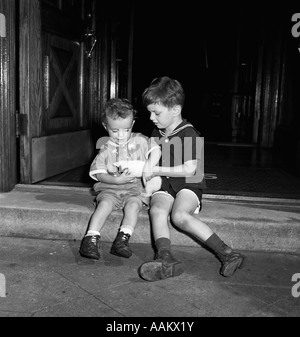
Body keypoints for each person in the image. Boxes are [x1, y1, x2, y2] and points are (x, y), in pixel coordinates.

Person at [138, 76, 246, 281]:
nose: (151, 117)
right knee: (157, 209)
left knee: (179, 215)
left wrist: (157, 169)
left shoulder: (189, 133)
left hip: (189, 182)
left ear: (175, 110)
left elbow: (189, 169)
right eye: (150, 112)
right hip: (166, 183)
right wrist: (146, 170)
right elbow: (154, 154)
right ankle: (165, 257)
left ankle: (228, 253)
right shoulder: (156, 131)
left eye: (156, 112)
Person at [79, 98, 161, 260]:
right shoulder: (105, 148)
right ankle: (90, 239)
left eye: (126, 129)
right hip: (111, 189)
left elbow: (156, 150)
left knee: (133, 206)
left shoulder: (141, 140)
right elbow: (99, 173)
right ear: (105, 126)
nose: (121, 135)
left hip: (135, 190)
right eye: (115, 131)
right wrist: (116, 181)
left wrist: (149, 166)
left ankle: (122, 240)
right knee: (104, 204)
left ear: (132, 124)